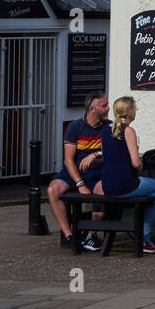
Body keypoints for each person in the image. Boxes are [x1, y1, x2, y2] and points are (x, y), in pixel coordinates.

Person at [93, 97, 155, 254]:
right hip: (125, 184)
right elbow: (135, 163)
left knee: (153, 196)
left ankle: (145, 240)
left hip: (108, 184)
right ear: (130, 112)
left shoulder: (105, 130)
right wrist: (141, 163)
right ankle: (144, 239)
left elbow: (106, 156)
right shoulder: (129, 131)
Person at [46, 92, 109, 251]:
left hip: (98, 172)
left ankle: (90, 235)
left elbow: (112, 151)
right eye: (104, 105)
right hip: (74, 172)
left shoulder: (109, 127)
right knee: (53, 189)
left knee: (103, 191)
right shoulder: (75, 127)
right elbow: (68, 160)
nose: (108, 108)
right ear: (92, 109)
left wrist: (97, 154)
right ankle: (69, 236)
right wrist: (80, 184)